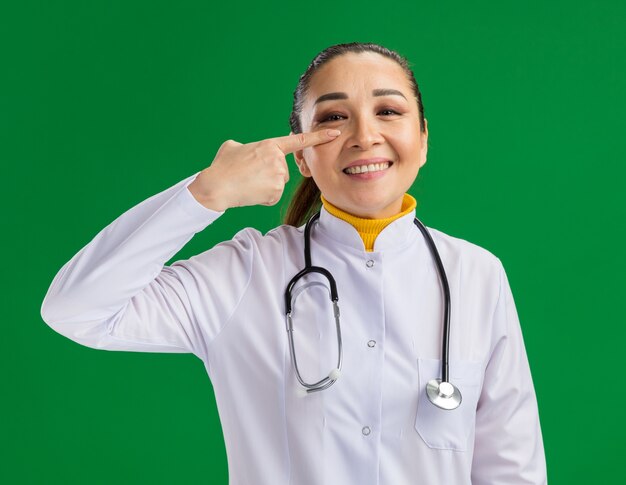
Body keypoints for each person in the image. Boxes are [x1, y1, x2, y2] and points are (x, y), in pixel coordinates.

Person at [40, 42, 547, 484]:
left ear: (423, 139)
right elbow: (75, 309)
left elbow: (512, 469)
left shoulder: (476, 276)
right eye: (332, 117)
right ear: (302, 157)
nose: (364, 136)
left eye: (388, 111)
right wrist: (204, 195)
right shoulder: (245, 274)